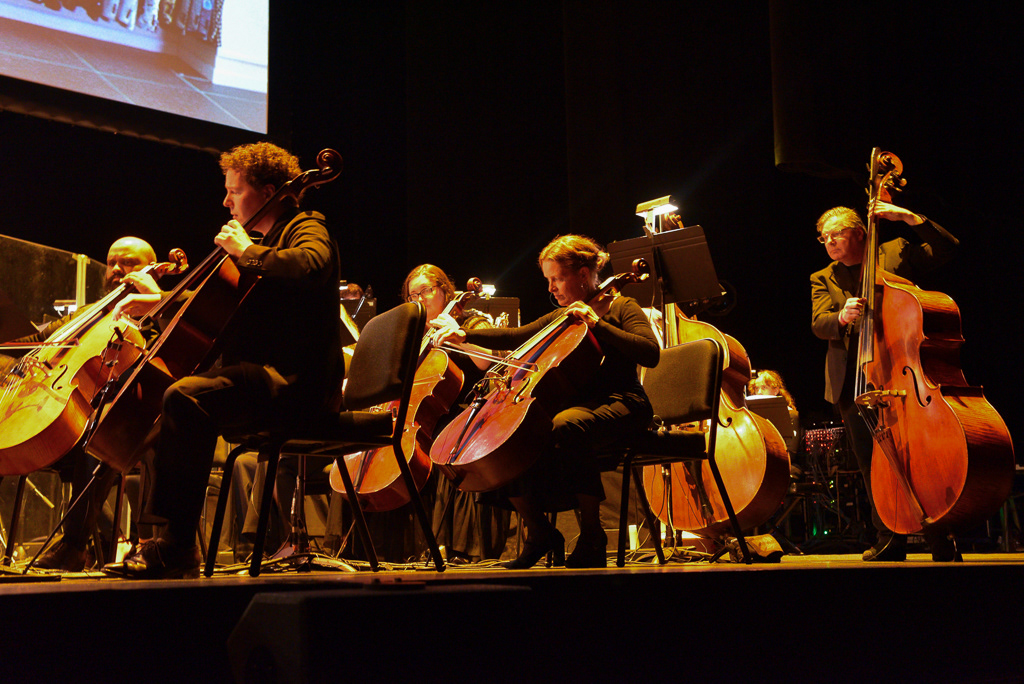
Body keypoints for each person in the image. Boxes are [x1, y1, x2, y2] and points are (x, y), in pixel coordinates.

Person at [104, 141, 342, 579]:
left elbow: (311, 264)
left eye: (234, 190)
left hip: (297, 385)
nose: (225, 201)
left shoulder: (306, 225)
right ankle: (171, 542)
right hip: (263, 380)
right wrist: (162, 301)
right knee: (176, 401)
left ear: (269, 191)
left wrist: (245, 252)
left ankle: (176, 547)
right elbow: (223, 307)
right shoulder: (261, 245)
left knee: (186, 397)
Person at [432, 235, 660, 569]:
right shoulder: (563, 316)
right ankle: (539, 532)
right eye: (548, 280)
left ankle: (593, 534)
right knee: (510, 437)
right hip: (582, 407)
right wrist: (465, 335)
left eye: (557, 278)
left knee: (566, 425)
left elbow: (650, 353)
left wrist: (596, 323)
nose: (551, 288)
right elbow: (515, 335)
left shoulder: (622, 306)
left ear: (583, 274)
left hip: (624, 402)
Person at [810, 200, 959, 562]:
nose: (829, 242)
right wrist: (841, 317)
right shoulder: (822, 277)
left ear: (859, 233)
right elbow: (819, 323)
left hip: (902, 375)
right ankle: (890, 536)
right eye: (824, 238)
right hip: (855, 383)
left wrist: (910, 218)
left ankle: (940, 533)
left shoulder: (892, 252)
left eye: (836, 234)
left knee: (922, 458)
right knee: (870, 463)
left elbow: (947, 248)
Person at [16, 237, 161, 571]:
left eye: (129, 263)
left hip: (129, 429)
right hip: (69, 421)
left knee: (99, 432)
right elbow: (38, 340)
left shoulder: (158, 316)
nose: (116, 270)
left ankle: (73, 546)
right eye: (112, 262)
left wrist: (153, 303)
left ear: (151, 270)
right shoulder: (89, 314)